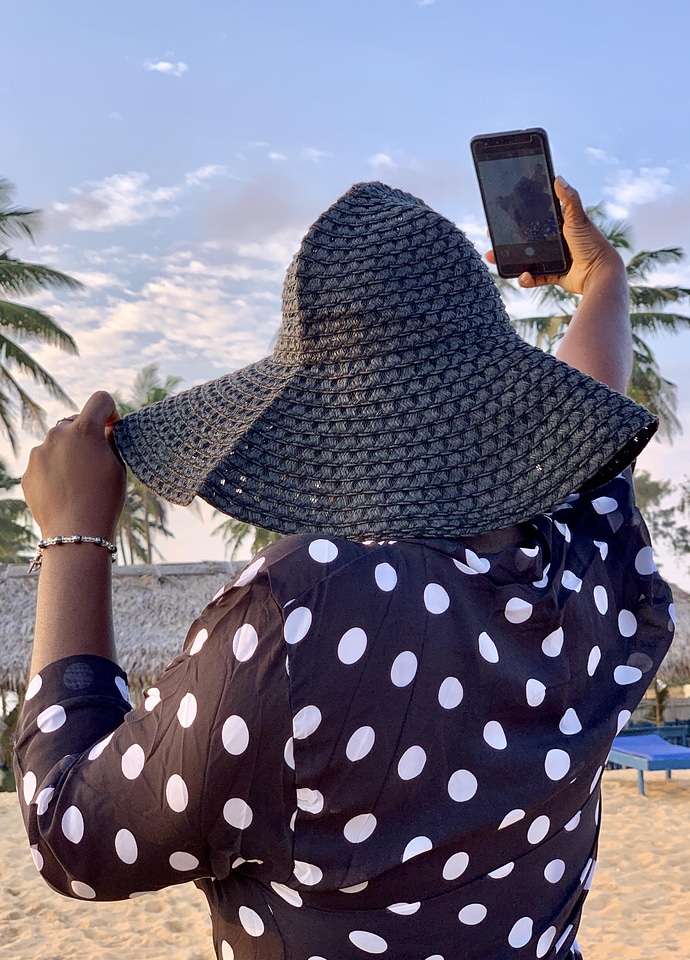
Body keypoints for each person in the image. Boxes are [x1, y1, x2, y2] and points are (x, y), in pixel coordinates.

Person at [15, 177, 673, 960]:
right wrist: (605, 282)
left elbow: (75, 837)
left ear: (314, 427)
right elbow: (589, 403)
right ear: (509, 404)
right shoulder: (586, 559)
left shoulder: (304, 613)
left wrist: (73, 538)